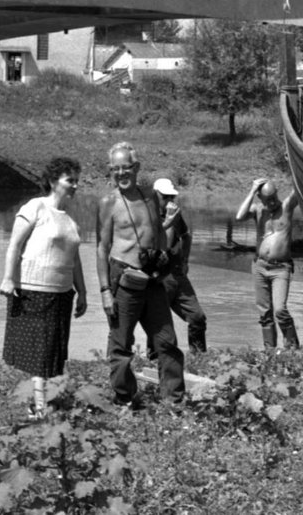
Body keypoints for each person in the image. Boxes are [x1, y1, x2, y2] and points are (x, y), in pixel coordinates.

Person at [97, 142, 185, 407]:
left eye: (126, 168)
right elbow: (102, 248)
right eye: (115, 169)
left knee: (166, 342)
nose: (121, 174)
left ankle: (174, 402)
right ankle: (124, 399)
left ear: (136, 168)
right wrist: (104, 291)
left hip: (154, 280)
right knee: (121, 346)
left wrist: (166, 244)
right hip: (124, 280)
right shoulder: (108, 202)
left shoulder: (150, 196)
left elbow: (157, 232)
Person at [0, 157, 87, 421]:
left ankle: (43, 401)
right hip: (33, 291)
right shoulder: (35, 207)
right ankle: (39, 408)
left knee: (52, 351)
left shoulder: (71, 222)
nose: (74, 186)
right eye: (69, 180)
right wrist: (7, 278)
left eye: (76, 181)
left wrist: (82, 292)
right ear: (52, 181)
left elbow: (75, 260)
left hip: (62, 294)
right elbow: (14, 244)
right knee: (40, 351)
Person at [235, 178, 301, 350]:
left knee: (280, 310)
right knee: (264, 312)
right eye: (267, 199)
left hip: (281, 268)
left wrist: (294, 162)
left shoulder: (286, 207)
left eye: (274, 197)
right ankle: (270, 352)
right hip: (260, 266)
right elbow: (239, 216)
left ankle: (293, 350)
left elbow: (299, 188)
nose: (272, 202)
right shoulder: (258, 210)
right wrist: (252, 190)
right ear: (260, 198)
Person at [149, 177, 206, 357]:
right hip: (159, 277)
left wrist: (185, 261)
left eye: (171, 197)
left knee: (197, 317)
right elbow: (160, 244)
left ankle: (198, 357)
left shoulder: (175, 214)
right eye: (165, 196)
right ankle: (153, 359)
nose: (169, 201)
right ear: (155, 195)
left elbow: (186, 236)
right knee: (159, 324)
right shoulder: (148, 216)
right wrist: (168, 221)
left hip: (177, 274)